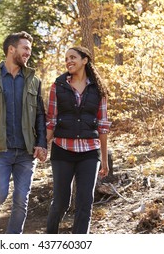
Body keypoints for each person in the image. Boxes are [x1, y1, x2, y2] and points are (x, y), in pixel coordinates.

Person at [0, 31, 47, 234]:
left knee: (21, 201)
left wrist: (42, 143)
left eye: (30, 50)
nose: (28, 53)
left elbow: (40, 115)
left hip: (26, 151)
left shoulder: (33, 80)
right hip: (1, 149)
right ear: (11, 49)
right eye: (25, 48)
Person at [45, 46, 111, 234]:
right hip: (62, 150)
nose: (68, 61)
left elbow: (103, 126)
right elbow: (51, 121)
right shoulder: (58, 86)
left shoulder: (98, 90)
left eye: (73, 57)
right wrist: (42, 147)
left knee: (85, 203)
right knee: (60, 202)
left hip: (90, 153)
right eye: (66, 59)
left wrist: (104, 160)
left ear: (85, 60)